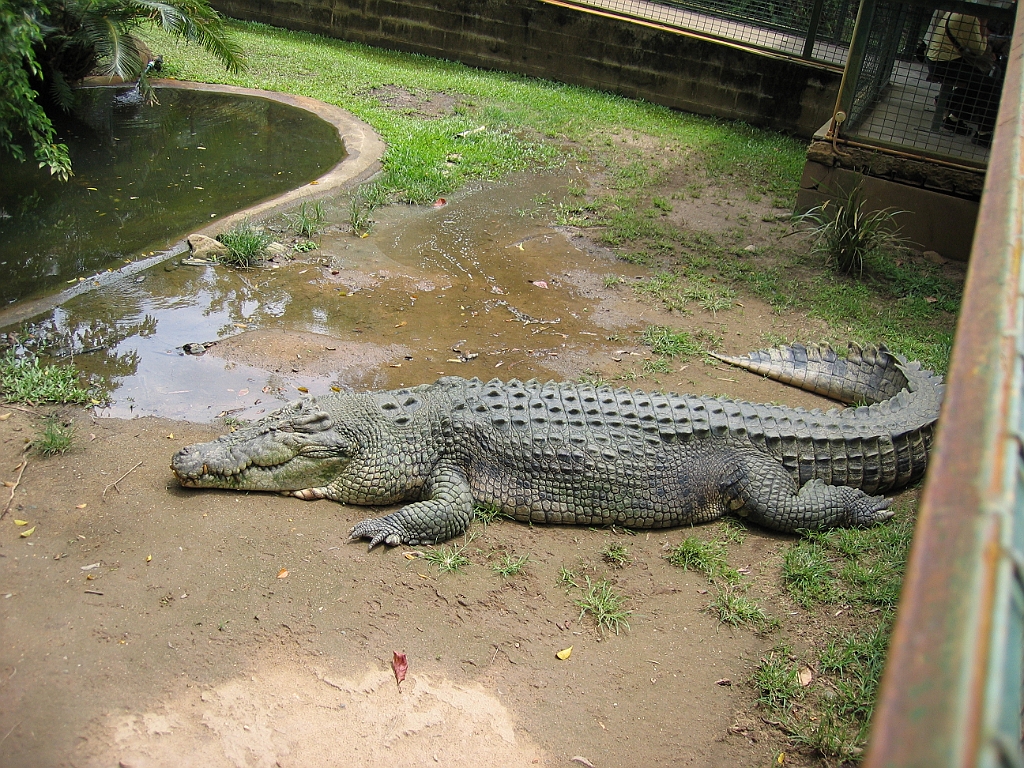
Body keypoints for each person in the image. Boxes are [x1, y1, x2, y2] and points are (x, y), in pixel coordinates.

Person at [925, 11, 1002, 147]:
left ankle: (953, 119)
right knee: (991, 86)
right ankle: (984, 133)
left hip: (939, 60)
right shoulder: (970, 17)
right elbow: (979, 49)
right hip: (944, 63)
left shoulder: (960, 12)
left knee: (980, 81)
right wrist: (983, 27)